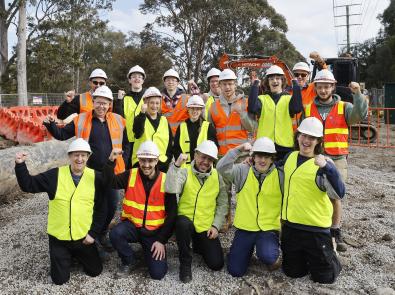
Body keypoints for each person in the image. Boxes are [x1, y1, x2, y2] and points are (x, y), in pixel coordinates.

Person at [44, 85, 129, 251]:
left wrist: (123, 160)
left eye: (105, 103)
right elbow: (61, 135)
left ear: (110, 104)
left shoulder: (118, 120)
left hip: (112, 172)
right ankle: (91, 238)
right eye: (98, 102)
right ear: (93, 102)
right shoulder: (81, 119)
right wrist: (51, 125)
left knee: (111, 205)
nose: (101, 106)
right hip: (88, 173)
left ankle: (102, 232)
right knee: (91, 206)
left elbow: (126, 143)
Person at [14, 139, 106, 285]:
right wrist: (20, 165)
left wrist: (93, 234)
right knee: (59, 280)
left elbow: (102, 209)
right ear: (69, 156)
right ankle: (64, 256)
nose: (79, 159)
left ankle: (75, 255)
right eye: (76, 155)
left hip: (83, 238)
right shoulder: (55, 175)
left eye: (83, 155)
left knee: (95, 271)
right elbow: (28, 185)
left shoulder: (97, 177)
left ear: (88, 157)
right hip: (59, 239)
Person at [303, 69, 368, 252]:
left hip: (337, 157)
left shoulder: (344, 107)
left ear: (333, 87)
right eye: (320, 87)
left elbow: (359, 115)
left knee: (335, 195)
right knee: (314, 193)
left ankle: (335, 230)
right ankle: (317, 226)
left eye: (327, 87)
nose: (323, 90)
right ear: (316, 88)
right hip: (314, 157)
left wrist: (357, 94)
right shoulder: (308, 108)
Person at [280, 117, 345, 284]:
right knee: (292, 273)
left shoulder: (324, 165)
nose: (306, 141)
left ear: (318, 141)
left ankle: (332, 255)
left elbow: (340, 193)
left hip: (316, 231)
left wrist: (328, 168)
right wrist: (250, 160)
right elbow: (271, 167)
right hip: (291, 227)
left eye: (312, 138)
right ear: (298, 136)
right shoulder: (290, 157)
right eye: (303, 135)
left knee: (325, 278)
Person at [104, 141, 177, 280]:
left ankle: (147, 251)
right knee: (115, 234)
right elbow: (110, 182)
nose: (146, 164)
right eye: (143, 160)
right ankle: (130, 260)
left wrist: (161, 240)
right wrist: (110, 161)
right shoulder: (130, 175)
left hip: (154, 233)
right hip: (132, 227)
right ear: (138, 160)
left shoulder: (166, 180)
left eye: (150, 161)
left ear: (156, 160)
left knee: (158, 274)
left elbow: (172, 214)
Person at [216, 137, 282, 277]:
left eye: (266, 156)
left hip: (267, 229)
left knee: (268, 256)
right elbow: (221, 168)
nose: (262, 160)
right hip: (245, 229)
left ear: (272, 158)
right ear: (253, 157)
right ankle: (245, 250)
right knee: (235, 271)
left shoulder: (280, 175)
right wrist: (238, 150)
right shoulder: (243, 171)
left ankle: (270, 251)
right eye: (259, 156)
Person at [165, 140, 228, 283]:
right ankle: (185, 264)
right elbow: (170, 188)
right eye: (202, 157)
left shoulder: (217, 176)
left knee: (216, 264)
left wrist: (216, 225)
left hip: (205, 225)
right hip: (185, 222)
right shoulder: (184, 171)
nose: (205, 162)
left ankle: (198, 243)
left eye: (210, 159)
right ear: (195, 155)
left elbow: (223, 203)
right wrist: (176, 166)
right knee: (182, 224)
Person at [248, 65, 302, 160]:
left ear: (282, 81)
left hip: (285, 146)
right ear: (268, 82)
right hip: (264, 145)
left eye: (278, 78)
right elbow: (252, 108)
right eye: (271, 79)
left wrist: (296, 85)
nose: (275, 81)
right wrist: (255, 85)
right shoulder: (262, 99)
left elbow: (297, 108)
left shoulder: (289, 99)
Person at [207, 69, 257, 157]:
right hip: (222, 156)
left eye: (230, 84)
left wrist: (241, 113)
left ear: (235, 85)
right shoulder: (213, 106)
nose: (227, 87)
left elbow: (253, 128)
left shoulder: (246, 103)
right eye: (224, 84)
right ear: (220, 86)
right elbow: (210, 133)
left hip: (242, 156)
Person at [132, 87, 173, 172]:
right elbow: (138, 133)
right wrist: (142, 113)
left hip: (161, 163)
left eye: (157, 103)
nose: (155, 106)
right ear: (145, 103)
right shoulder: (139, 118)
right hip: (142, 163)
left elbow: (169, 144)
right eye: (152, 103)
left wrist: (167, 160)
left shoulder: (164, 120)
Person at [173, 94, 218, 167]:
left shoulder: (208, 127)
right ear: (188, 109)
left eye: (197, 109)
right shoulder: (181, 126)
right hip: (184, 168)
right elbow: (176, 148)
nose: (194, 111)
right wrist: (179, 158)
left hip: (203, 168)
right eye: (192, 108)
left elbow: (214, 148)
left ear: (201, 110)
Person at [114, 65, 146, 165]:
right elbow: (118, 118)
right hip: (127, 142)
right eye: (134, 76)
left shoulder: (148, 97)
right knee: (126, 169)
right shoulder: (124, 98)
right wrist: (119, 100)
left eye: (139, 77)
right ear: (129, 80)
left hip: (144, 140)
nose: (137, 79)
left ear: (143, 81)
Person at [161, 69, 189, 135]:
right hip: (164, 135)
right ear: (164, 82)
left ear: (178, 83)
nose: (170, 82)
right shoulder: (159, 99)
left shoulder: (187, 98)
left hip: (182, 135)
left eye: (173, 80)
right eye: (168, 80)